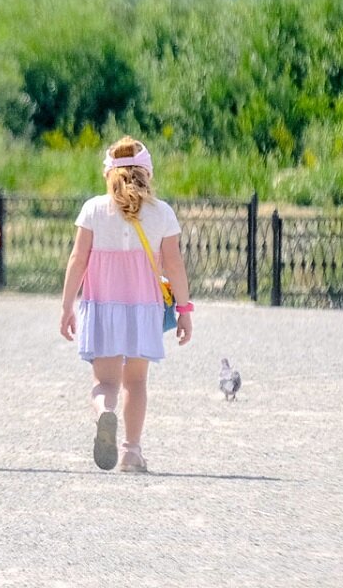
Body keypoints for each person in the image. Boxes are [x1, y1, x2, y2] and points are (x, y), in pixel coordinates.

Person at [59, 136, 193, 473]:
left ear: (109, 173)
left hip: (102, 308)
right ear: (147, 172)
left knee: (105, 384)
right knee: (136, 383)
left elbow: (77, 259)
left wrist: (66, 307)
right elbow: (174, 266)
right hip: (143, 310)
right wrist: (184, 311)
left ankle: (105, 412)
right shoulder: (162, 214)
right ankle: (131, 452)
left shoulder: (93, 209)